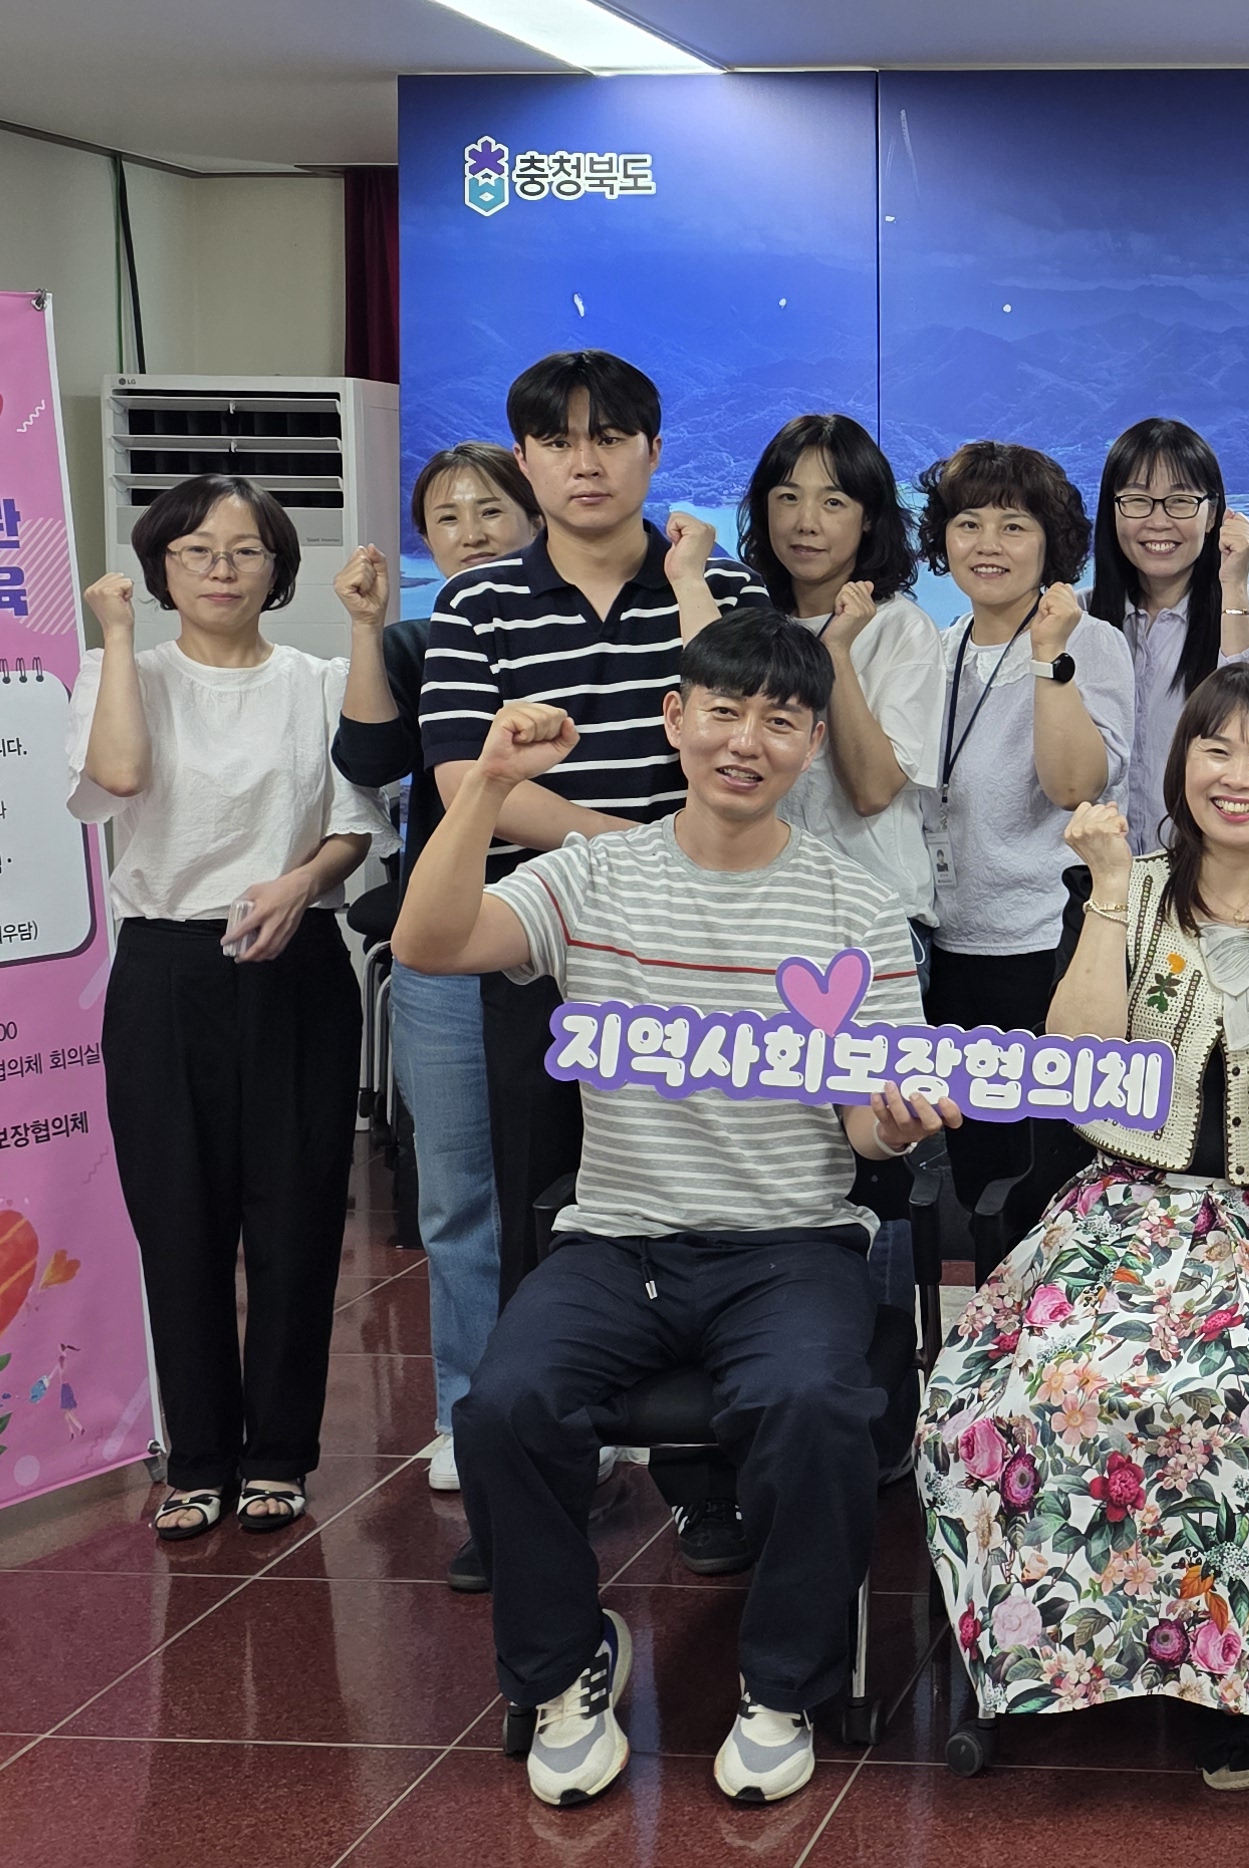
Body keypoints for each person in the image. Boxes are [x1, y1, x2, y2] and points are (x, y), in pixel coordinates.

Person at [398, 613, 947, 1812]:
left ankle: (783, 1682)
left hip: (791, 1242)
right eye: (724, 711)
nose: (747, 741)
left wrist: (898, 1123)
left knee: (813, 1405)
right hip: (618, 1239)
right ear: (676, 718)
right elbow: (427, 940)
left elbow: (866, 1128)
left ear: (812, 742)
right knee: (503, 1404)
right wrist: (486, 784)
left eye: (780, 720)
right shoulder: (593, 874)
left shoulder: (856, 910)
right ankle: (565, 1665)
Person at [915, 666, 1249, 1791]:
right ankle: (1060, 1656)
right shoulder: (1120, 888)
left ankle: (1242, 1684)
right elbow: (1080, 1071)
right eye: (1216, 748)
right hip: (1120, 1214)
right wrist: (1105, 891)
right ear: (1181, 765)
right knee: (1027, 1393)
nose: (1239, 774)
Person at [415, 351, 760, 1580]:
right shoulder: (475, 605)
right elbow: (469, 781)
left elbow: (745, 745)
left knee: (705, 1205)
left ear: (653, 451)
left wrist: (661, 873)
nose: (586, 460)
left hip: (704, 956)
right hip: (540, 949)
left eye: (610, 436)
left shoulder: (720, 583)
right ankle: (535, 1489)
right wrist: (632, 856)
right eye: (558, 441)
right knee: (537, 1204)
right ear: (525, 460)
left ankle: (705, 1484)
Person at [72, 474, 387, 1541]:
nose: (220, 569)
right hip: (166, 970)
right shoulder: (119, 673)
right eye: (196, 550)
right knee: (178, 1220)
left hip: (297, 963)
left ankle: (279, 1455)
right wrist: (119, 636)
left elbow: (356, 821)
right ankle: (199, 1458)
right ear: (159, 566)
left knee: (296, 1218)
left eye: (246, 550)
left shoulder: (319, 679)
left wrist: (303, 881)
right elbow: (119, 777)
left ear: (277, 569)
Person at [332, 442, 540, 1511]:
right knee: (458, 1192)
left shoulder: (567, 629)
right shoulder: (421, 640)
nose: (471, 531)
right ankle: (467, 1409)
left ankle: (570, 1406)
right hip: (448, 944)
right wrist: (367, 630)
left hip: (574, 938)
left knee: (574, 1187)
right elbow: (370, 762)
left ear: (535, 515)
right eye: (447, 517)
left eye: (490, 509)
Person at [917, 439, 1136, 1235]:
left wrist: (1048, 655)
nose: (988, 544)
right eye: (968, 523)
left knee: (1050, 1183)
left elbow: (1074, 785)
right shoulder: (938, 649)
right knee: (976, 1177)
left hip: (1050, 947)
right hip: (949, 950)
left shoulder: (1089, 643)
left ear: (1051, 541)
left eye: (1014, 525)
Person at [738, 413, 950, 925]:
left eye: (833, 502)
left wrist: (835, 651)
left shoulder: (902, 629)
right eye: (788, 497)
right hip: (767, 910)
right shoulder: (751, 621)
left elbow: (872, 791)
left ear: (868, 517)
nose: (806, 522)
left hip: (875, 918)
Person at [1086, 416, 1249, 852]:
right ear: (1112, 509)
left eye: (1180, 501)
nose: (1158, 521)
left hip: (1208, 870)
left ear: (1212, 513)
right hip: (1097, 870)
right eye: (1137, 500)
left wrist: (1233, 586)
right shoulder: (1079, 620)